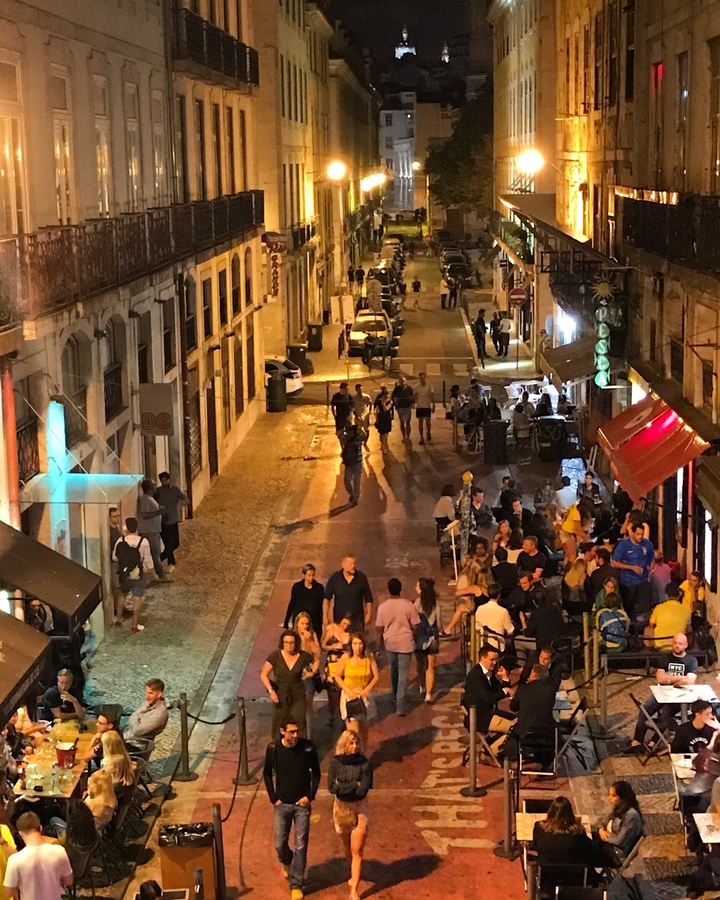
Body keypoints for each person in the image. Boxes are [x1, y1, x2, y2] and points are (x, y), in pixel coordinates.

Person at [263, 718, 321, 900]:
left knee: (301, 845)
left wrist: (310, 796)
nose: (295, 735)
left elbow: (316, 772)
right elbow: (266, 773)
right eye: (291, 732)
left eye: (297, 731)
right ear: (282, 732)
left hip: (301, 805)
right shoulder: (273, 749)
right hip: (282, 805)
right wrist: (274, 798)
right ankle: (286, 861)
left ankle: (296, 883)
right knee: (280, 843)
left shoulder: (307, 748)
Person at [630, 633, 698, 751]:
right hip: (661, 692)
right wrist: (681, 678)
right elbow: (660, 679)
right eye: (675, 643)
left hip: (680, 696)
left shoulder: (691, 661)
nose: (677, 646)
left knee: (665, 715)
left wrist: (669, 679)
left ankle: (654, 741)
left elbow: (690, 681)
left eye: (680, 643)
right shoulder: (665, 658)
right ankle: (637, 741)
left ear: (686, 645)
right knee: (644, 710)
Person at [327, 730, 373, 900]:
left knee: (357, 849)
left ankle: (354, 888)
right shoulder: (335, 763)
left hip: (359, 807)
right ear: (344, 745)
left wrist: (345, 787)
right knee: (347, 845)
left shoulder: (365, 763)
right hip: (341, 808)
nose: (354, 747)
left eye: (357, 743)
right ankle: (352, 872)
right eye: (351, 743)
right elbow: (332, 787)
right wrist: (354, 785)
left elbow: (363, 791)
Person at [532, 797, 602, 891]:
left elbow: (535, 845)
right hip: (573, 880)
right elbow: (589, 849)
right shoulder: (578, 833)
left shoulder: (539, 828)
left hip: (547, 878)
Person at [261, 631, 318, 740]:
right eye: (286, 642)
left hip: (298, 694)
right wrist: (271, 691)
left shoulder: (303, 656)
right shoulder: (275, 656)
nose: (289, 645)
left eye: (292, 642)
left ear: (296, 643)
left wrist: (311, 672)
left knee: (299, 721)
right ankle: (279, 749)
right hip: (280, 694)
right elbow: (264, 674)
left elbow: (317, 658)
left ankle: (299, 749)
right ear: (282, 643)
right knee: (280, 722)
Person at [375, 578, 420, 716]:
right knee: (403, 674)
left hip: (390, 643)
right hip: (405, 642)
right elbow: (415, 625)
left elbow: (379, 628)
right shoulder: (408, 605)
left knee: (393, 670)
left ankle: (394, 696)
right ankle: (400, 705)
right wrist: (412, 635)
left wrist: (378, 645)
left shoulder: (383, 607)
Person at [3, 812, 73, 900]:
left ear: (20, 833)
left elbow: (8, 892)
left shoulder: (15, 860)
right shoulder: (59, 851)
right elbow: (69, 881)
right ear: (40, 828)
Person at [462, 644, 515, 753]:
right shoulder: (475, 676)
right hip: (480, 717)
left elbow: (498, 689)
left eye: (496, 660)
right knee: (515, 729)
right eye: (492, 660)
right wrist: (504, 692)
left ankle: (490, 745)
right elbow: (488, 699)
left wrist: (504, 678)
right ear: (482, 658)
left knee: (517, 720)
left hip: (490, 713)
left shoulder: (488, 674)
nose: (495, 663)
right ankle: (492, 751)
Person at [333, 633, 379, 749]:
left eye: (360, 644)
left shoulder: (369, 657)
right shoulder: (346, 658)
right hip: (350, 696)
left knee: (364, 732)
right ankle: (353, 756)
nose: (358, 647)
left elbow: (376, 676)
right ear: (351, 645)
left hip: (364, 695)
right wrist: (349, 692)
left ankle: (364, 754)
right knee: (353, 732)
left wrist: (367, 690)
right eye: (355, 643)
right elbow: (337, 676)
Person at [508, 664, 557, 768]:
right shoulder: (550, 691)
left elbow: (513, 707)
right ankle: (545, 764)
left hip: (525, 735)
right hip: (546, 736)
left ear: (534, 674)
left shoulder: (523, 689)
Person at [113, 516, 155, 632]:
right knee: (137, 598)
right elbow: (148, 560)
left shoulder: (120, 540)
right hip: (139, 574)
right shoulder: (144, 542)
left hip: (125, 573)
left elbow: (115, 557)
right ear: (137, 528)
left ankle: (118, 620)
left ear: (126, 528)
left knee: (122, 595)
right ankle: (134, 625)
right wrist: (152, 572)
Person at [612, 522, 654, 616]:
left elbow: (651, 558)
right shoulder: (623, 546)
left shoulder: (647, 544)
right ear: (633, 533)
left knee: (645, 608)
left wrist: (651, 571)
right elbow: (614, 563)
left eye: (642, 534)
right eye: (638, 534)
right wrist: (631, 568)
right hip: (627, 583)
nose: (640, 537)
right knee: (629, 608)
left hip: (643, 581)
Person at [597, 781, 644, 864]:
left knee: (586, 852)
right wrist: (601, 829)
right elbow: (604, 821)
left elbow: (620, 841)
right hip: (608, 844)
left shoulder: (631, 816)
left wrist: (605, 835)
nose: (609, 798)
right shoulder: (619, 808)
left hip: (616, 854)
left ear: (622, 797)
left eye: (613, 796)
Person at [324, 557, 374, 629]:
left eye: (354, 563)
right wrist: (325, 616)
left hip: (357, 618)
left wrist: (369, 614)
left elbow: (368, 598)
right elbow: (326, 598)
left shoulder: (361, 578)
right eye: (350, 564)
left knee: (357, 638)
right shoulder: (335, 578)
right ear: (343, 565)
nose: (353, 566)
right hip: (340, 618)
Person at [294, 613, 322, 739]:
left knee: (307, 707)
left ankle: (308, 737)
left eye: (307, 624)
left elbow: (317, 655)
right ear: (297, 624)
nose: (305, 626)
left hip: (307, 676)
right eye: (302, 624)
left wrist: (309, 641)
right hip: (295, 676)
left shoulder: (312, 635)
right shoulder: (293, 637)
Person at [414, 578, 442, 702]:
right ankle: (429, 694)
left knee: (420, 664)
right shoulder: (435, 604)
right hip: (432, 638)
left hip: (419, 638)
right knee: (431, 667)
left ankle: (421, 686)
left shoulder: (417, 603)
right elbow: (440, 623)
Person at [322, 614, 352, 724]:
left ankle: (343, 715)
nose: (345, 626)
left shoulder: (350, 634)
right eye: (344, 623)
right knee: (332, 691)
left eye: (348, 625)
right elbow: (323, 645)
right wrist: (333, 647)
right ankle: (333, 715)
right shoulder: (332, 630)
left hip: (344, 664)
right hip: (332, 664)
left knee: (343, 689)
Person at [155, 472, 188, 572]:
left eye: (165, 480)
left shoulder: (175, 490)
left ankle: (158, 559)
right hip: (163, 521)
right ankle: (171, 563)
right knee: (168, 543)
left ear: (169, 479)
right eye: (162, 481)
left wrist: (184, 502)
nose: (164, 482)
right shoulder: (158, 492)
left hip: (173, 519)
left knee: (175, 543)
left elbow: (185, 498)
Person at [136, 479, 167, 582]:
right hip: (149, 531)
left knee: (155, 553)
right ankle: (160, 575)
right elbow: (144, 514)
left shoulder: (149, 498)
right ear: (149, 488)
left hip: (153, 530)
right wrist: (159, 512)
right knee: (155, 553)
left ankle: (155, 575)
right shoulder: (145, 499)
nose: (156, 487)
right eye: (153, 485)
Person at [645, 583, 691, 650]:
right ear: (679, 595)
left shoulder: (658, 608)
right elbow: (688, 628)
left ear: (666, 595)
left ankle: (650, 651)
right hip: (680, 646)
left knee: (647, 629)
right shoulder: (686, 609)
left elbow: (651, 625)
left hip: (660, 646)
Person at [284, 566, 325, 638]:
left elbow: (320, 606)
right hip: (299, 620)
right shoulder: (297, 587)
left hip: (314, 620)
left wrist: (321, 621)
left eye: (313, 575)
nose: (311, 578)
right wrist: (286, 621)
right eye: (309, 575)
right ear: (304, 575)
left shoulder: (319, 588)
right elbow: (292, 604)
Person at [124, 678, 169, 743]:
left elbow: (137, 731)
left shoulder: (159, 714)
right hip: (128, 738)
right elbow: (133, 716)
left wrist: (136, 720)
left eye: (150, 693)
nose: (147, 696)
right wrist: (137, 722)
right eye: (146, 692)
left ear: (159, 694)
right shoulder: (148, 702)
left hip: (136, 745)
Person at [475, 583, 514, 651]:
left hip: (481, 643)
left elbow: (477, 625)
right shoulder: (503, 611)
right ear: (499, 595)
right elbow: (510, 631)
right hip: (497, 645)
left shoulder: (480, 608)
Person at [101, 730, 134, 800]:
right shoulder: (123, 755)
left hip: (112, 796)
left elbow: (104, 784)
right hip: (124, 792)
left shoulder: (108, 763)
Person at [108, 506, 125, 626]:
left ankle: (120, 607)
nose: (117, 518)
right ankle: (117, 608)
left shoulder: (116, 529)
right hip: (114, 562)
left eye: (118, 516)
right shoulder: (109, 531)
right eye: (114, 516)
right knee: (116, 587)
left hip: (119, 561)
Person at [341, 424, 364, 506]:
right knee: (347, 480)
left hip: (357, 462)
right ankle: (352, 494)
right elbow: (340, 436)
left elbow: (364, 436)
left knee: (356, 482)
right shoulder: (347, 439)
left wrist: (359, 429)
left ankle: (355, 499)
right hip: (349, 463)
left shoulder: (357, 439)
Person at [391, 374, 414, 443]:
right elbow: (393, 397)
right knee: (402, 422)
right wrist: (396, 405)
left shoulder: (409, 388)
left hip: (407, 406)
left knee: (408, 422)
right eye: (401, 381)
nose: (402, 383)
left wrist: (412, 403)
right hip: (400, 407)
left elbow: (412, 396)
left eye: (403, 381)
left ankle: (408, 436)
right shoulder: (397, 389)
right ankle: (404, 436)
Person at [413, 372, 435, 444]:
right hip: (420, 406)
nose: (421, 379)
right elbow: (415, 396)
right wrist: (413, 403)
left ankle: (428, 432)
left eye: (422, 378)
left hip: (427, 406)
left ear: (425, 378)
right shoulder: (416, 387)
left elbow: (432, 396)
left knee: (428, 422)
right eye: (420, 378)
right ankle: (421, 437)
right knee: (420, 422)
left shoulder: (429, 386)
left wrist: (433, 405)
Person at [373, 385, 394, 452]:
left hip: (387, 418)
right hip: (381, 417)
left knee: (386, 433)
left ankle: (384, 444)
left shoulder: (389, 402)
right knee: (382, 433)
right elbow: (376, 409)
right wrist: (376, 419)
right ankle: (383, 445)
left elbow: (386, 409)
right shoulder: (379, 401)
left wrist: (383, 403)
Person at [352, 384, 372, 448]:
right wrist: (356, 415)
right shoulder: (354, 398)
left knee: (367, 429)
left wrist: (369, 412)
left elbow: (370, 403)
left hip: (365, 415)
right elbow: (352, 408)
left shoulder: (366, 396)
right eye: (359, 390)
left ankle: (365, 442)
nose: (360, 391)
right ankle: (359, 442)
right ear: (356, 390)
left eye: (361, 389)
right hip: (358, 416)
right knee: (358, 430)